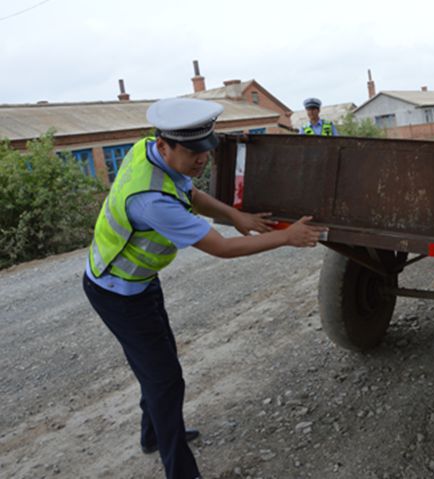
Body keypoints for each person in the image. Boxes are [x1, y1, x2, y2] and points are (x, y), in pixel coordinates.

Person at [82, 97, 326, 479]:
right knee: (166, 379)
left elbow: (190, 193)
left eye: (205, 149)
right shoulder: (151, 201)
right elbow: (222, 248)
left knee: (157, 363)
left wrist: (235, 214)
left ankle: (153, 434)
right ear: (165, 145)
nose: (202, 159)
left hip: (137, 283)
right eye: (193, 152)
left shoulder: (149, 152)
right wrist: (286, 237)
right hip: (118, 293)